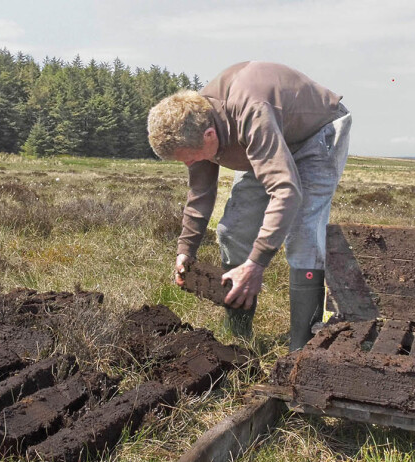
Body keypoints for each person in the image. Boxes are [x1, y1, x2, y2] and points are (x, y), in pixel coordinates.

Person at [147, 61, 351, 349]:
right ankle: (238, 331)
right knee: (233, 230)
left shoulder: (249, 111)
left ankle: (303, 346)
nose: (189, 164)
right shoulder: (196, 126)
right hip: (268, 141)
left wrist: (257, 263)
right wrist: (185, 251)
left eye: (190, 158)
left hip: (314, 134)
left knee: (302, 236)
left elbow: (285, 190)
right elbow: (200, 193)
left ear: (210, 136)